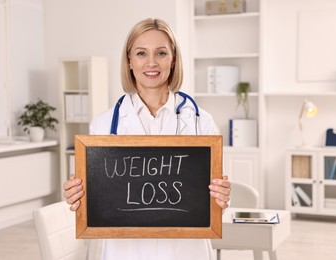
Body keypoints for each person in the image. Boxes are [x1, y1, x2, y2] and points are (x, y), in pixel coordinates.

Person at [63, 18, 231, 260]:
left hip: (185, 251)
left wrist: (222, 198)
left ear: (173, 60)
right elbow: (96, 202)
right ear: (129, 61)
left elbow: (213, 203)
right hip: (126, 251)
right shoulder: (103, 125)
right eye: (141, 53)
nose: (151, 62)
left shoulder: (200, 122)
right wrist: (78, 196)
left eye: (161, 53)